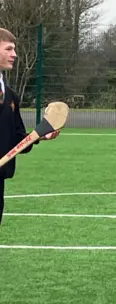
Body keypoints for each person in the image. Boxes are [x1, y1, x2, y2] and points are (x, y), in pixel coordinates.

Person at [0, 28, 60, 225]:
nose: (14, 55)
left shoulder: (10, 96)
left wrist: (38, 136)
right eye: (9, 49)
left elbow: (15, 139)